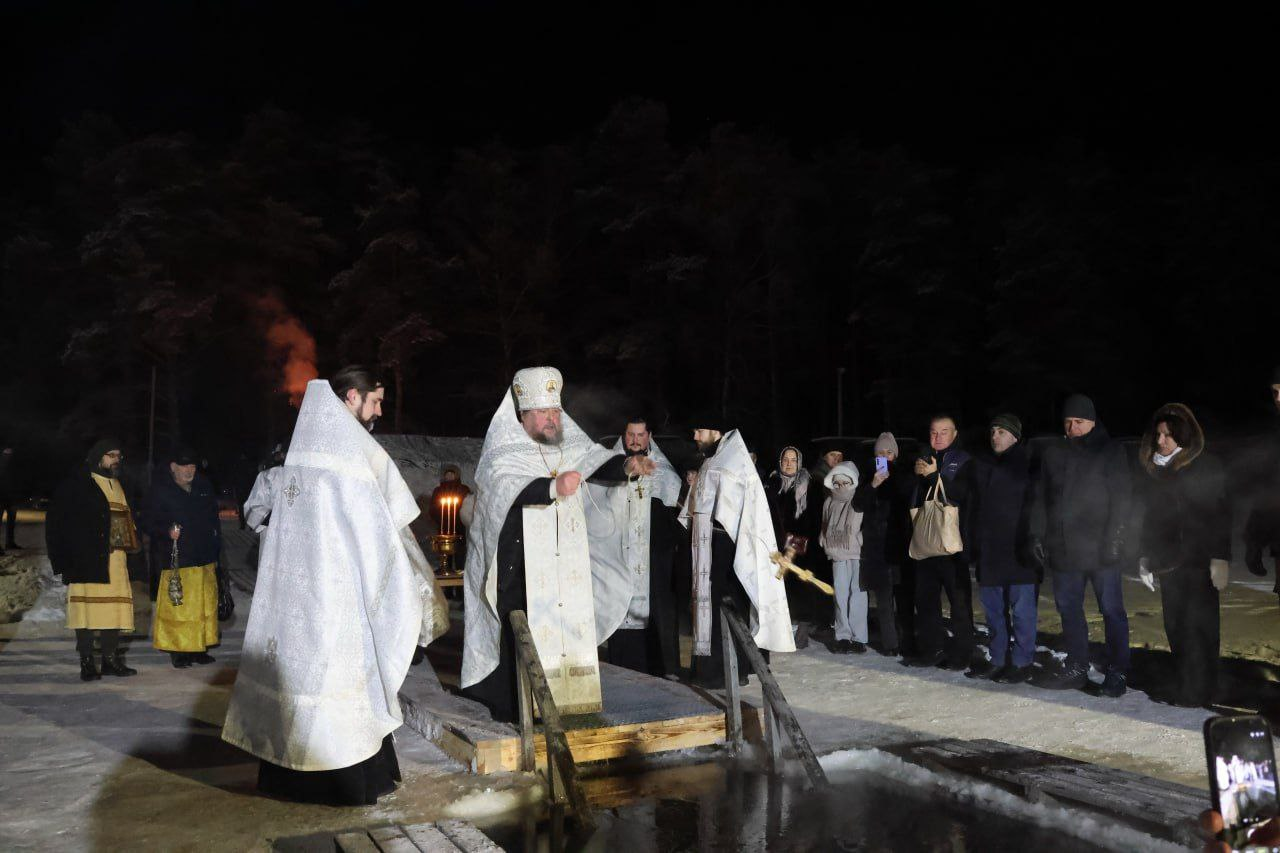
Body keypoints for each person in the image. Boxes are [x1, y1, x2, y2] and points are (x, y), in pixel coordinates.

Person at [222, 368, 446, 805]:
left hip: (298, 605)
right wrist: (406, 585)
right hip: (339, 601)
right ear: (350, 398)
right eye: (375, 401)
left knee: (302, 689)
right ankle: (347, 785)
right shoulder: (350, 462)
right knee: (343, 692)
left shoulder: (301, 458)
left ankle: (290, 779)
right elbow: (379, 537)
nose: (379, 410)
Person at [461, 367, 651, 723]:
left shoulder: (563, 439)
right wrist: (552, 487)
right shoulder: (504, 446)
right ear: (523, 415)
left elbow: (594, 459)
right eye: (545, 413)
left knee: (559, 621)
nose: (553, 419)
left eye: (556, 411)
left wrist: (628, 464)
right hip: (514, 557)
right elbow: (504, 487)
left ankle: (562, 698)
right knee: (519, 627)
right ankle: (517, 707)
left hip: (561, 556)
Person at [1031, 393, 1133, 697]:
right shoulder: (1055, 453)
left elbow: (1122, 498)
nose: (1072, 427)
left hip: (1102, 548)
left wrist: (1116, 537)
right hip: (1064, 547)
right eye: (1068, 422)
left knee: (1112, 610)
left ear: (1091, 422)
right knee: (1069, 608)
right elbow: (1042, 498)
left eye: (1078, 422)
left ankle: (1117, 670)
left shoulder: (1110, 451)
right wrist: (1036, 533)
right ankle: (1077, 664)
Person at [681, 418, 794, 688]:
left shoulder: (730, 463)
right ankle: (710, 670)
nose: (695, 435)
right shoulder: (713, 459)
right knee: (710, 608)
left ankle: (725, 671)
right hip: (709, 549)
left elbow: (735, 516)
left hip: (725, 551)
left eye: (700, 430)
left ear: (716, 432)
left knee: (728, 609)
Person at [1137, 403, 1230, 708]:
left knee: (1199, 629)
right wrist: (1145, 557)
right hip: (1168, 562)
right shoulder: (1157, 472)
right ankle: (1186, 684)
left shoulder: (1205, 466)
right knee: (1176, 626)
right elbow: (1150, 518)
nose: (1160, 441)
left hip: (1198, 562)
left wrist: (1220, 557)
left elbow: (1218, 513)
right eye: (1159, 434)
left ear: (1183, 437)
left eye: (1167, 436)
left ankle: (1201, 690)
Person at [585, 417, 684, 678]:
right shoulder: (607, 465)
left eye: (641, 435)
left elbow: (673, 506)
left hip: (651, 556)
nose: (636, 440)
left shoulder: (663, 471)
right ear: (624, 435)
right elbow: (593, 501)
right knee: (619, 601)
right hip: (617, 553)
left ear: (649, 436)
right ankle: (622, 666)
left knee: (658, 609)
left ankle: (662, 667)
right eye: (631, 435)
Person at [46, 438, 140, 681]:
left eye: (119, 455)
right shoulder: (78, 484)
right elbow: (59, 522)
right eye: (111, 455)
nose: (116, 460)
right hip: (87, 559)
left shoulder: (119, 484)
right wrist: (64, 558)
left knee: (113, 610)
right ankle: (87, 662)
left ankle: (110, 660)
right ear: (98, 456)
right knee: (86, 611)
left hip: (116, 559)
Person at [966, 414, 1038, 683]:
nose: (995, 436)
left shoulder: (1027, 464)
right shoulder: (983, 465)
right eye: (993, 431)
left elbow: (1038, 506)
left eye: (1002, 432)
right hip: (990, 550)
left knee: (1021, 610)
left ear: (1015, 437)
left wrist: (1035, 539)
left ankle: (1022, 661)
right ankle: (997, 658)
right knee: (994, 610)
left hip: (1019, 549)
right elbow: (974, 508)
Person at [905, 415, 975, 670]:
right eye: (933, 432)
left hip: (953, 542)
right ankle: (931, 648)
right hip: (926, 540)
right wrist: (918, 477)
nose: (937, 437)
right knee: (925, 599)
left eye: (944, 432)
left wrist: (935, 477)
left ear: (955, 434)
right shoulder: (923, 459)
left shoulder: (964, 461)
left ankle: (962, 653)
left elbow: (959, 496)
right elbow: (911, 500)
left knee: (958, 602)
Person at [141, 447, 221, 668]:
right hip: (175, 559)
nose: (189, 470)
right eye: (184, 466)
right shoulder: (160, 490)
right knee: (179, 606)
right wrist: (166, 531)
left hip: (203, 558)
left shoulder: (204, 487)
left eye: (193, 466)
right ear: (173, 467)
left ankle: (199, 647)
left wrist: (217, 552)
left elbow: (214, 521)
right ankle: (178, 650)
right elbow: (146, 522)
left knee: (203, 607)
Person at [852, 432, 914, 657]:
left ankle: (908, 639)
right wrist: (873, 485)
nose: (885, 457)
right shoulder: (868, 475)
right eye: (880, 453)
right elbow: (858, 505)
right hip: (876, 546)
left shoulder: (904, 476)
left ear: (895, 455)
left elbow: (908, 501)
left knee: (904, 596)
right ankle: (891, 643)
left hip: (900, 544)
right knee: (884, 597)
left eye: (889, 452)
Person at [766, 446, 821, 648]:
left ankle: (803, 629)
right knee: (780, 588)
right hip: (776, 546)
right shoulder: (771, 484)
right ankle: (782, 630)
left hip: (801, 546)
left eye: (793, 460)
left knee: (801, 587)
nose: (789, 464)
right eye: (785, 460)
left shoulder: (810, 486)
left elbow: (814, 518)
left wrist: (796, 543)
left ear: (799, 463)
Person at [820, 461, 867, 653]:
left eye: (845, 482)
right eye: (837, 483)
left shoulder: (858, 499)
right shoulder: (829, 501)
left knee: (858, 593)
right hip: (837, 551)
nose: (840, 487)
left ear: (853, 482)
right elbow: (824, 523)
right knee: (840, 593)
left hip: (856, 552)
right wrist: (823, 539)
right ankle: (842, 635)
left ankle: (859, 637)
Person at [1243, 366, 1280, 599]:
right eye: (1275, 392)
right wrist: (1254, 541)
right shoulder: (1273, 436)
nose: (1278, 399)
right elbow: (1267, 493)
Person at [0, 445, 19, 552]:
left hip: (10, 497)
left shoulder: (12, 468)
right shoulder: (5, 466)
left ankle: (10, 542)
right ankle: (9, 543)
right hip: (3, 497)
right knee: (10, 521)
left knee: (11, 521)